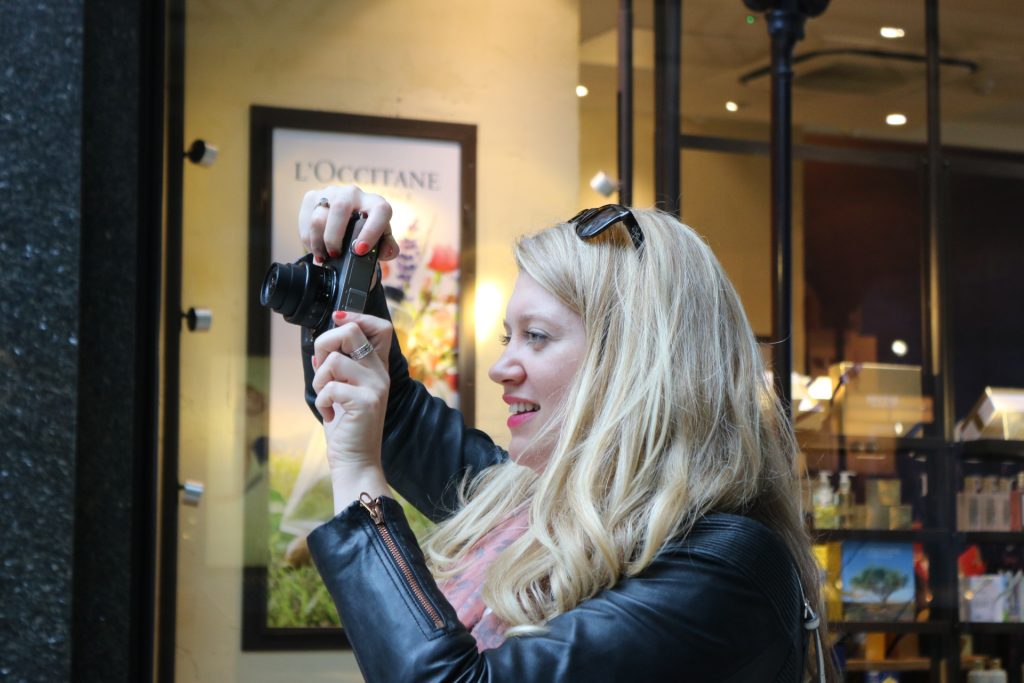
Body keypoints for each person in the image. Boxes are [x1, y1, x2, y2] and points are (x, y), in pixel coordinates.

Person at [296, 185, 834, 681]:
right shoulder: (532, 505)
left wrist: (358, 475)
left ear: (636, 360)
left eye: (535, 336)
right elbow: (398, 420)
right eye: (510, 336)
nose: (501, 367)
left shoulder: (722, 569)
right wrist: (341, 265)